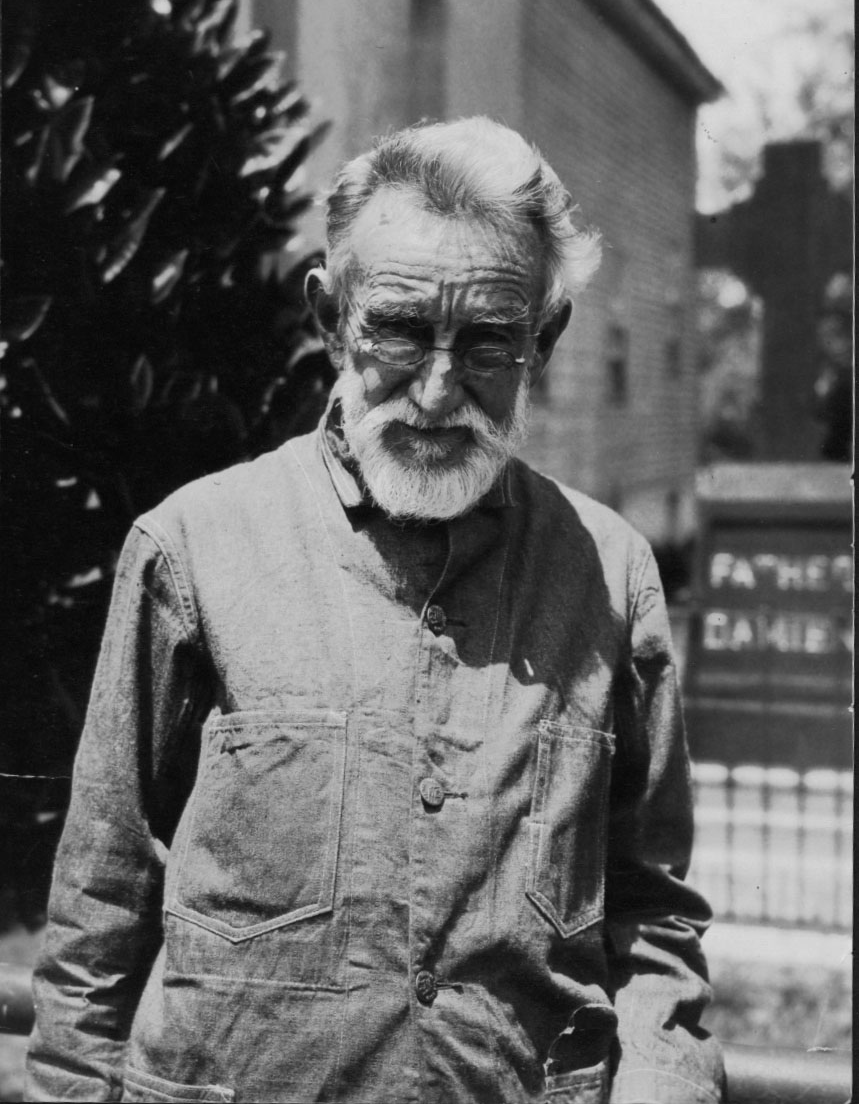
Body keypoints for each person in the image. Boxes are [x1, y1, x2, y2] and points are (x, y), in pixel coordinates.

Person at [26, 118, 724, 1104]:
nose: (438, 389)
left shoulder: (608, 574)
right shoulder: (190, 547)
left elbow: (653, 920)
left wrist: (660, 1086)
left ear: (546, 340)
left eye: (488, 341)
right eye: (396, 329)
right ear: (327, 314)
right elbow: (97, 921)